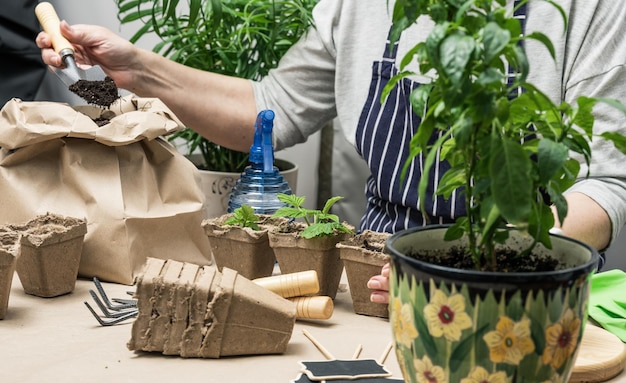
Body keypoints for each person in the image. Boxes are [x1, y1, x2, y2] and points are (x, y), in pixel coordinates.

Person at [37, 0, 626, 304]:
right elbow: (272, 107)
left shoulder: (589, 9)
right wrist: (138, 69)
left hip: (519, 293)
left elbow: (604, 188)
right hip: (372, 281)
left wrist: (468, 264)